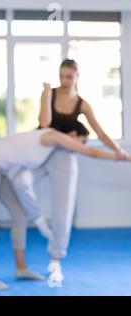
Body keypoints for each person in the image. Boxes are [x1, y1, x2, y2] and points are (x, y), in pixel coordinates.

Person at [0, 121, 130, 290]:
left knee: (20, 215)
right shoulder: (54, 136)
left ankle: (21, 268)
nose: (80, 146)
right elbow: (91, 152)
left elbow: (3, 142)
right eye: (82, 140)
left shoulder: (49, 142)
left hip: (0, 169)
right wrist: (122, 157)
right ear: (73, 135)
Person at [11, 59, 127, 282]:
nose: (64, 81)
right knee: (18, 180)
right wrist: (45, 94)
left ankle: (56, 257)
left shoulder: (82, 104)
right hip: (42, 151)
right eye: (61, 76)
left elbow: (101, 133)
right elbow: (44, 123)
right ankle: (39, 221)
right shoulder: (49, 94)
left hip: (65, 156)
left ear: (77, 77)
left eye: (69, 77)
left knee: (63, 208)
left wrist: (118, 150)